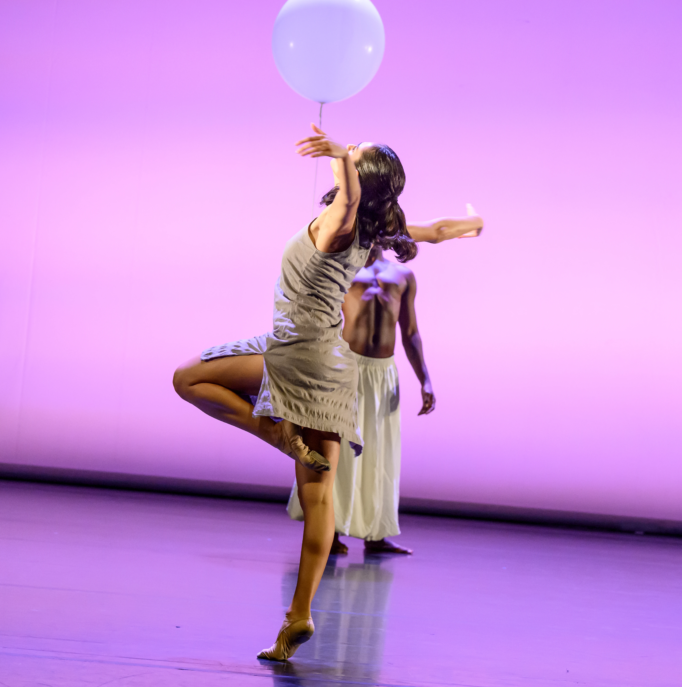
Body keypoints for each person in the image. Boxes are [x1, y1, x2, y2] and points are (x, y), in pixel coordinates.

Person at [172, 123, 416, 661]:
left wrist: (341, 158)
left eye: (357, 151)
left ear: (359, 178)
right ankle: (297, 619)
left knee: (187, 379)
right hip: (334, 369)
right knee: (319, 497)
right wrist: (466, 226)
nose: (350, 148)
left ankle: (278, 435)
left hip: (296, 352)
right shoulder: (374, 228)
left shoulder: (343, 219)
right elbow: (419, 228)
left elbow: (348, 197)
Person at [286, 210, 482, 555]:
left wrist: (425, 379)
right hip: (346, 368)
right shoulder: (342, 269)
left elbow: (411, 332)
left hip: (384, 373)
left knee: (380, 452)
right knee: (338, 450)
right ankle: (330, 531)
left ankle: (376, 534)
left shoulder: (402, 275)